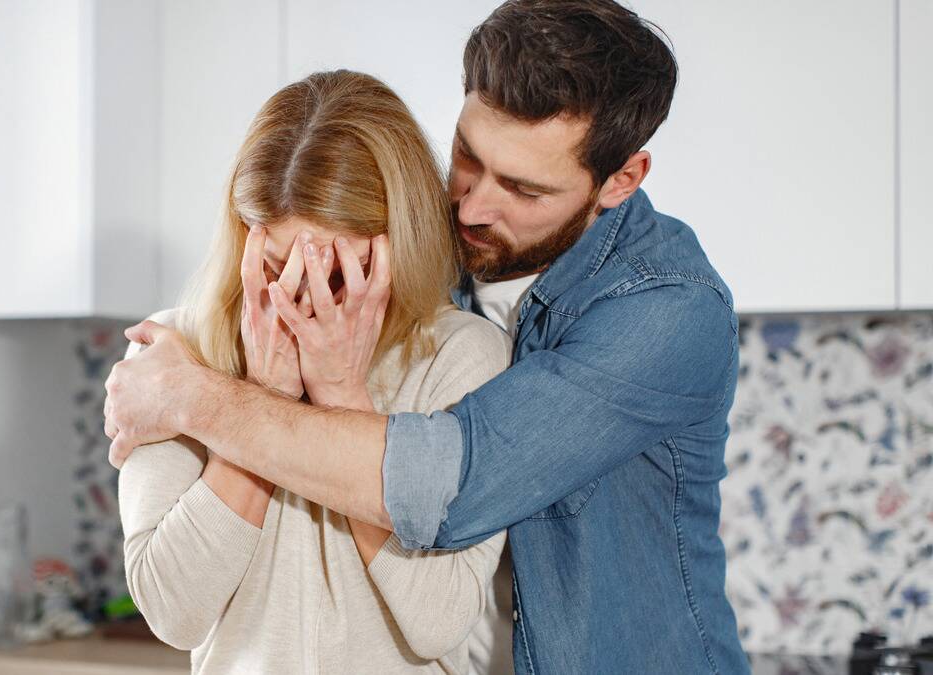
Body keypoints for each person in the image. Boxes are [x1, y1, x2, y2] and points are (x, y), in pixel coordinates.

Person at [106, 0, 752, 672]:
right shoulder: (419, 262)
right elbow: (174, 606)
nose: (469, 207)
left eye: (523, 190)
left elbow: (448, 480)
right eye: (468, 157)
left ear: (622, 180)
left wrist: (196, 399)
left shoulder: (667, 311)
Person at [116, 69, 517, 674]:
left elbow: (438, 619)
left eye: (340, 274)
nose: (307, 303)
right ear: (245, 241)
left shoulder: (462, 357)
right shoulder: (177, 355)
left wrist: (340, 394)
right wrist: (262, 395)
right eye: (279, 267)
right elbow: (175, 614)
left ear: (397, 244)